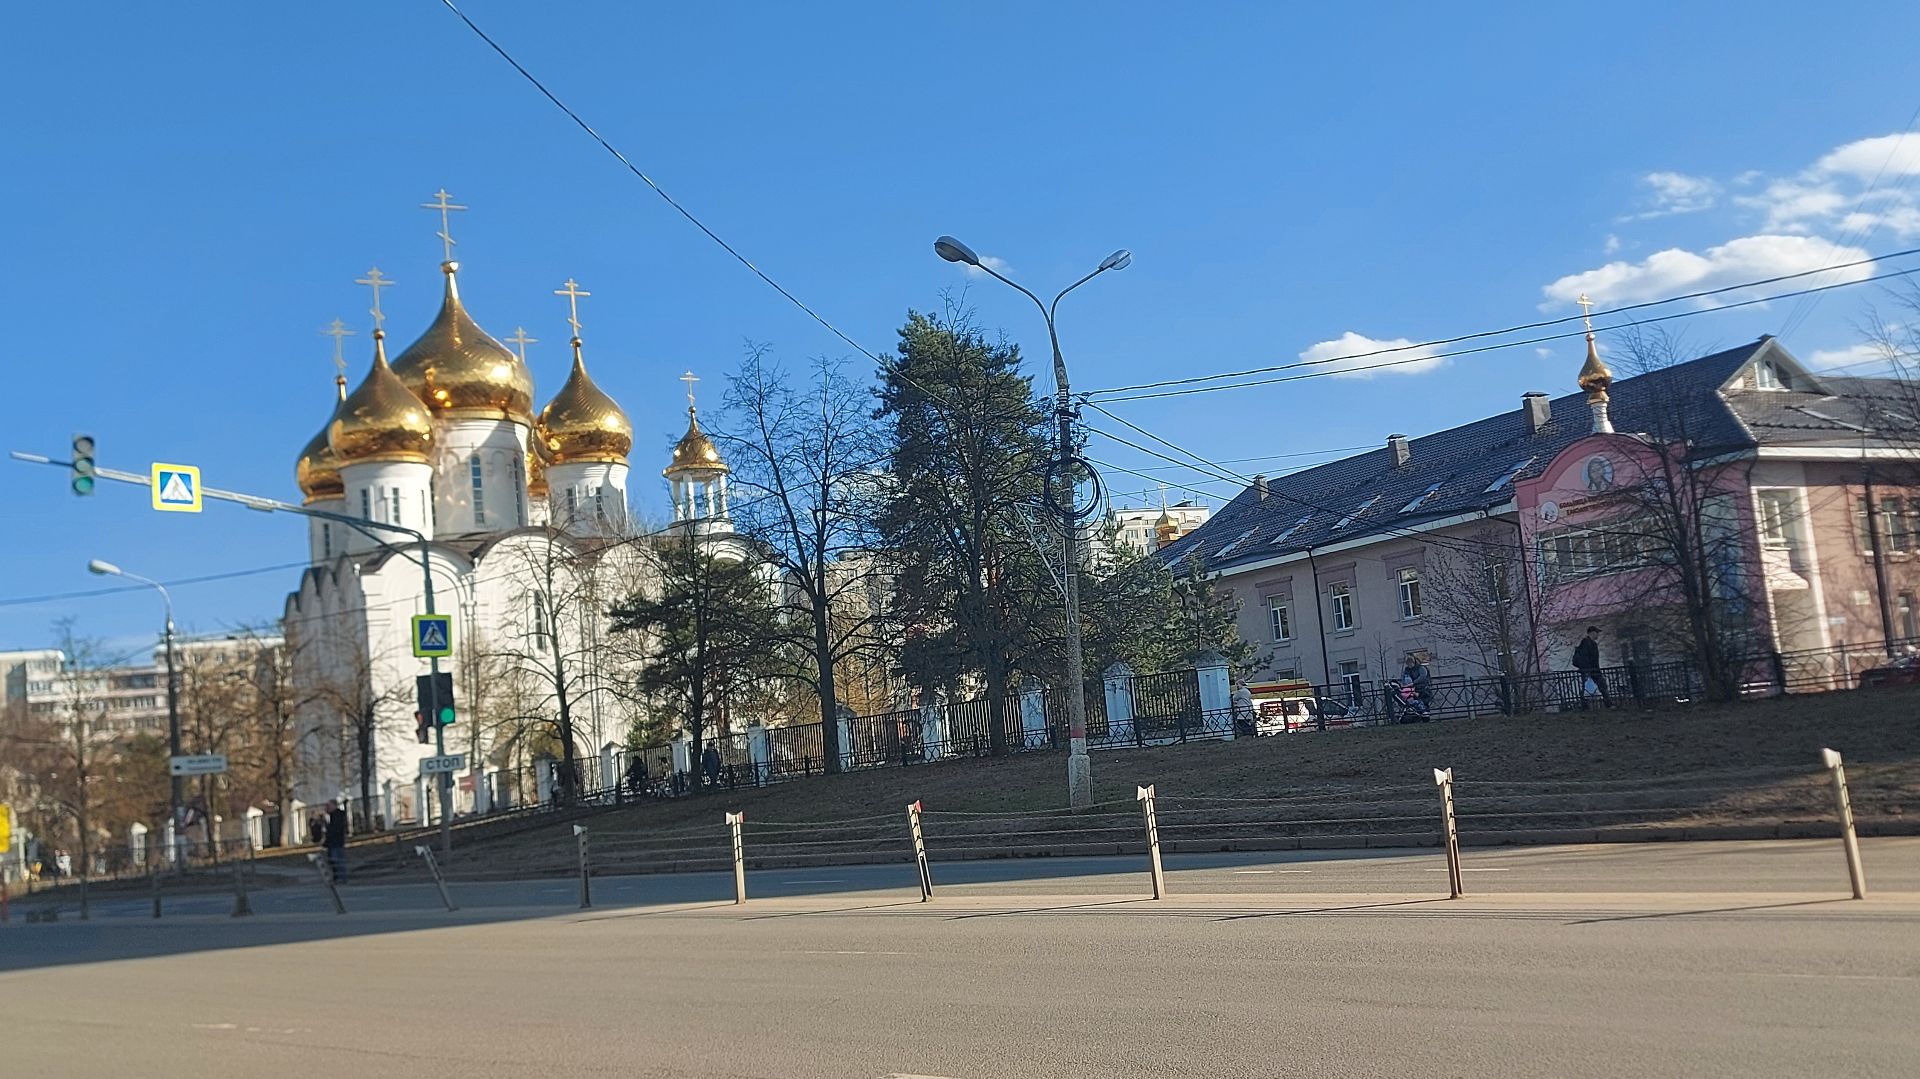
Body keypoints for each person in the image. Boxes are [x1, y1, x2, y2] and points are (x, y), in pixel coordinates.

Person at [1572, 626, 1612, 710]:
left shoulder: (1590, 643)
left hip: (1592, 669)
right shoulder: (1586, 642)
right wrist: (1588, 670)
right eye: (1597, 632)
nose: (1598, 635)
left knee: (1597, 686)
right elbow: (1586, 657)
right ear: (1592, 632)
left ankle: (1587, 705)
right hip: (1590, 670)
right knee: (1597, 686)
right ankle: (1606, 704)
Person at [322, 799, 348, 882]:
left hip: (336, 842)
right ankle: (338, 877)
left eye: (328, 806)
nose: (327, 808)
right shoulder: (332, 816)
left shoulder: (336, 816)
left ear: (334, 806)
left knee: (337, 860)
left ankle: (341, 877)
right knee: (335, 860)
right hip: (334, 842)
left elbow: (333, 830)